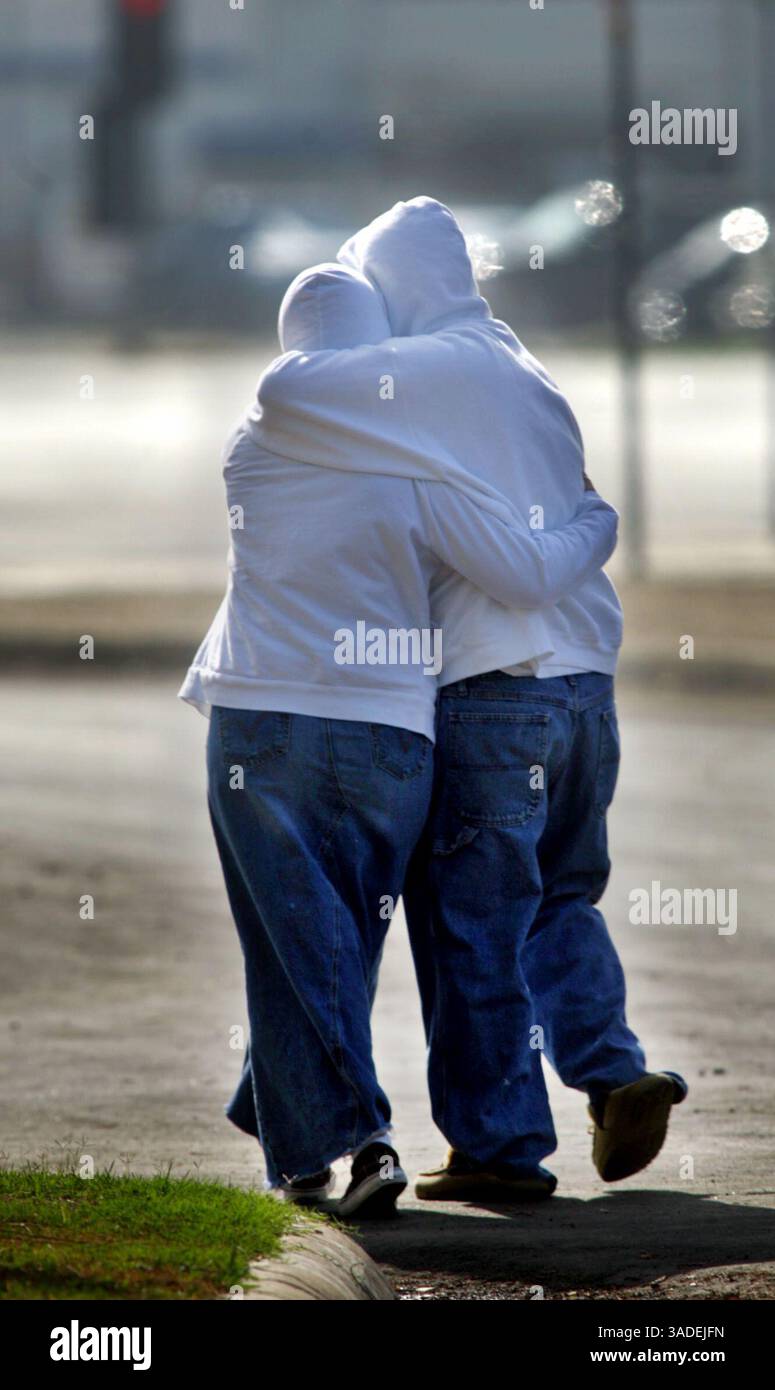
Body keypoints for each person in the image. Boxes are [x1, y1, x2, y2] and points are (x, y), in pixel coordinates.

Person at [257, 197, 687, 1205]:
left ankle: (499, 1145)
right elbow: (585, 506)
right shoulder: (525, 368)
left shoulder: (422, 371)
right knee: (562, 894)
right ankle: (614, 1071)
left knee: (475, 924)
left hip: (493, 688)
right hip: (586, 679)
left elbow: (289, 396)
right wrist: (599, 523)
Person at [179, 259, 619, 1215]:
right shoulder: (419, 459)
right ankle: (295, 1143)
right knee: (333, 945)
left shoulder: (247, 441)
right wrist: (594, 515)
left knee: (292, 941)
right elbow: (528, 569)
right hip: (391, 735)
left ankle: (353, 1138)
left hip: (260, 720)